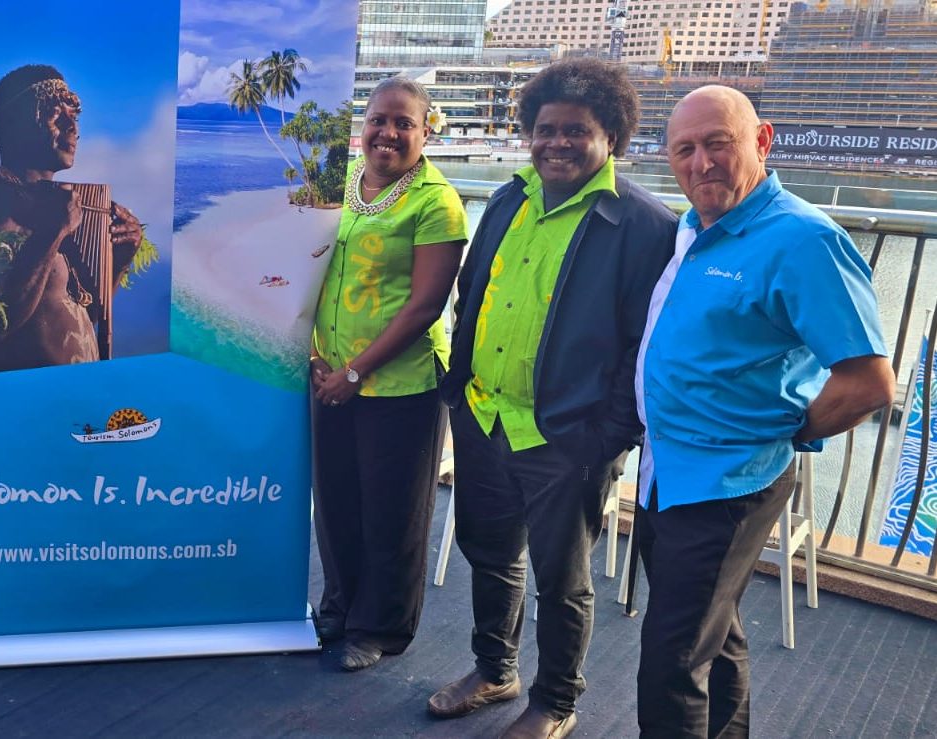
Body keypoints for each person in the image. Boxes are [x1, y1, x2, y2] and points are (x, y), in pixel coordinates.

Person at [429, 58, 677, 738]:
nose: (556, 144)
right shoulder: (510, 197)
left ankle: (556, 701)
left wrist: (604, 438)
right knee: (490, 553)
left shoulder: (643, 225)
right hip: (483, 417)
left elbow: (642, 349)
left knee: (561, 581)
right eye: (545, 130)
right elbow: (471, 292)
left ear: (612, 137)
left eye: (577, 131)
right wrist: (458, 387)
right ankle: (494, 669)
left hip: (566, 440)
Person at [636, 85, 893, 739]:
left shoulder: (804, 239)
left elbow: (867, 383)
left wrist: (788, 429)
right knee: (712, 636)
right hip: (667, 469)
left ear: (762, 140)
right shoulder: (695, 226)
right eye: (684, 150)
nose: (700, 163)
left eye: (717, 143)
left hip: (728, 482)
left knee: (671, 662)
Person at [310, 76, 467, 673]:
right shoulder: (340, 185)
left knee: (391, 511)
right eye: (379, 119)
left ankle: (380, 626)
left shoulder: (436, 202)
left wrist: (355, 373)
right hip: (327, 373)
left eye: (405, 123)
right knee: (337, 501)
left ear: (427, 132)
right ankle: (340, 605)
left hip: (398, 385)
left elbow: (424, 305)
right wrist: (319, 360)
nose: (389, 133)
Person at [0, 64, 143, 373]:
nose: (73, 128)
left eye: (74, 117)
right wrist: (50, 234)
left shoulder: (54, 205)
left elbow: (79, 314)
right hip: (26, 401)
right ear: (18, 124)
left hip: (70, 400)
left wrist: (118, 259)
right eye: (56, 115)